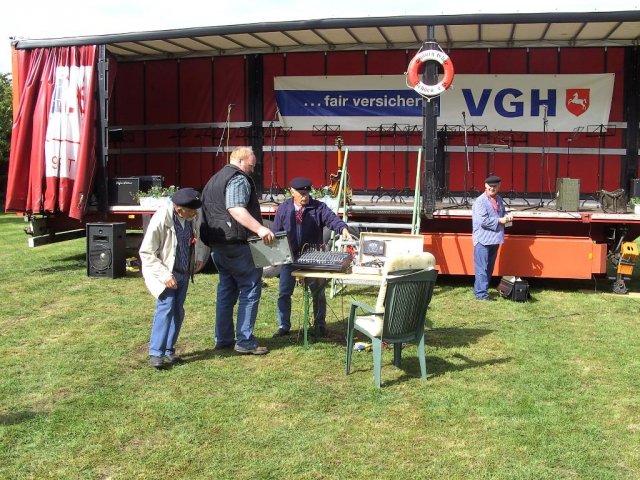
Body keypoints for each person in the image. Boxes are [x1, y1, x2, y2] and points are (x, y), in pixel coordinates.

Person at [200, 146, 275, 355]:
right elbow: (235, 208)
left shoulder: (214, 180)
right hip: (236, 244)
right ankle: (245, 341)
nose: (253, 169)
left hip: (218, 244)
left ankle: (223, 339)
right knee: (250, 289)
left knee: (226, 291)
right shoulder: (238, 178)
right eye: (251, 165)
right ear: (241, 161)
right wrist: (260, 228)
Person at [271, 177, 352, 338]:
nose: (305, 197)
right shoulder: (283, 209)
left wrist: (342, 228)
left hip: (313, 257)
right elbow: (276, 233)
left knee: (318, 293)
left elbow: (332, 219)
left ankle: (319, 325)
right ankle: (283, 325)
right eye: (301, 194)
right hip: (290, 258)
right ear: (292, 192)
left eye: (307, 193)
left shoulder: (319, 207)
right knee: (284, 293)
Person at [139, 188, 210, 369]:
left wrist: (198, 256)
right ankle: (156, 353)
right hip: (164, 272)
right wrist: (165, 275)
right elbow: (147, 252)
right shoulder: (161, 219)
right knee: (166, 307)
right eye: (192, 211)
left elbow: (196, 237)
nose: (196, 214)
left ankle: (169, 350)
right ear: (179, 210)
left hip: (183, 271)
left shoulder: (192, 215)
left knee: (178, 311)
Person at [471, 175, 513, 301]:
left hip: (494, 239)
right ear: (485, 185)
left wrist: (508, 215)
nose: (492, 188)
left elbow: (501, 213)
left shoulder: (499, 199)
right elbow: (483, 221)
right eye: (490, 186)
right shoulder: (480, 201)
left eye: (495, 186)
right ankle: (481, 294)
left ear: (499, 187)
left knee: (489, 268)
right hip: (482, 239)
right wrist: (500, 220)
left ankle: (482, 291)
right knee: (482, 268)